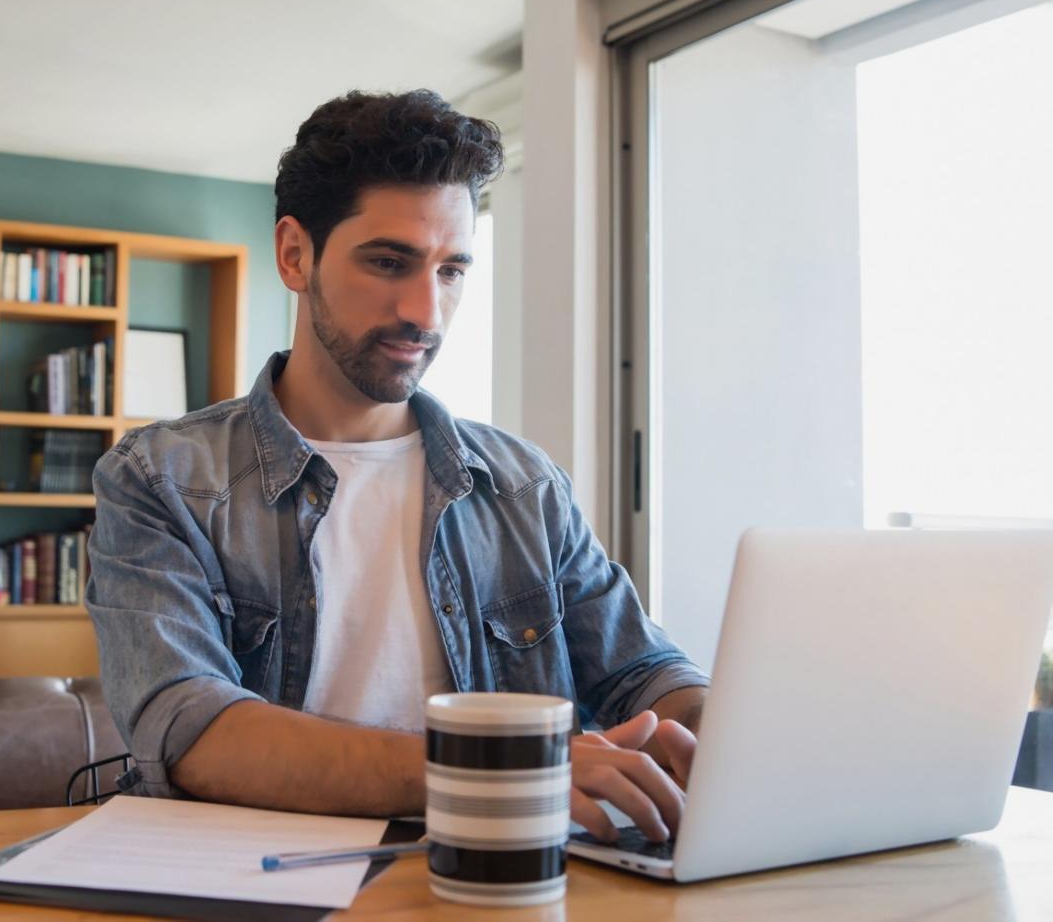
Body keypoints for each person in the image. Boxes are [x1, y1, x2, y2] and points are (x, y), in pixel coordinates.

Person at [86, 90, 708, 843]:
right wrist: (500, 768)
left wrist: (720, 736)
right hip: (260, 883)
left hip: (504, 876)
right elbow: (191, 731)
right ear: (294, 254)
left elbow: (641, 672)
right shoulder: (162, 478)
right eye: (389, 262)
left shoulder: (523, 483)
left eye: (451, 271)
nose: (426, 311)